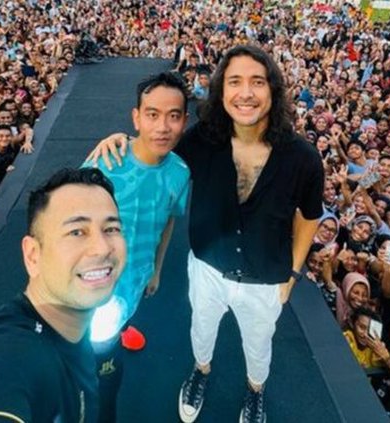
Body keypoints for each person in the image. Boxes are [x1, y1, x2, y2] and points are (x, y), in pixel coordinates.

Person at [87, 45, 324, 423]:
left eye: (257, 82)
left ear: (273, 90)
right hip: (207, 268)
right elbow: (154, 138)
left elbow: (310, 217)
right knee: (201, 331)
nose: (245, 92)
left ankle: (255, 392)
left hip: (266, 278)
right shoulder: (201, 141)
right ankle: (201, 371)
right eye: (234, 82)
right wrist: (115, 138)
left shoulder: (303, 158)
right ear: (221, 91)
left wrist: (293, 274)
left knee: (259, 347)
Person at [0, 167, 127, 422]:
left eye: (111, 229)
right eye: (76, 232)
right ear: (32, 255)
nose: (103, 247)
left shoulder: (74, 330)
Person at [84, 72, 190, 351]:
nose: (163, 127)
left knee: (118, 318)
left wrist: (156, 268)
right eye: (152, 115)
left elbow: (167, 221)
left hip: (136, 273)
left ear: (184, 122)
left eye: (174, 116)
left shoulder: (180, 172)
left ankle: (120, 328)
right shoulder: (105, 161)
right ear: (136, 118)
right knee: (86, 350)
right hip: (94, 277)